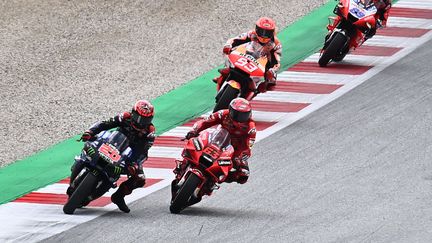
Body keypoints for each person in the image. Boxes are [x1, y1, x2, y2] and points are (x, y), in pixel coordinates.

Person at [68, 100, 156, 213]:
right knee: (88, 147)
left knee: (140, 179)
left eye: (145, 120)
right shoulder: (125, 117)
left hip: (130, 154)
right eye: (139, 118)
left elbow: (142, 151)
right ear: (133, 113)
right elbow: (105, 124)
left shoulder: (149, 132)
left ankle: (118, 197)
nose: (141, 122)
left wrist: (133, 164)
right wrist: (90, 132)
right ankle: (80, 163)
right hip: (111, 143)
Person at [178, 98, 256, 185]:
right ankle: (183, 162)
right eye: (237, 114)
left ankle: (214, 181)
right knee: (194, 140)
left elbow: (247, 146)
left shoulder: (250, 127)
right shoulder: (223, 114)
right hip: (217, 139)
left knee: (244, 174)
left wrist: (239, 157)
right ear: (230, 110)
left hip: (234, 149)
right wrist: (194, 130)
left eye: (243, 115)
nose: (240, 118)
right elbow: (205, 122)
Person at [213, 17, 282, 93]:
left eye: (267, 33)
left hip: (262, 62)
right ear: (256, 29)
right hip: (247, 55)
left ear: (273, 32)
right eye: (261, 31)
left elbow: (276, 61)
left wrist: (272, 71)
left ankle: (255, 89)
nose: (264, 36)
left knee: (271, 81)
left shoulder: (276, 44)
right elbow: (235, 39)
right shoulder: (252, 34)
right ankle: (224, 74)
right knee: (228, 51)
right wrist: (228, 45)